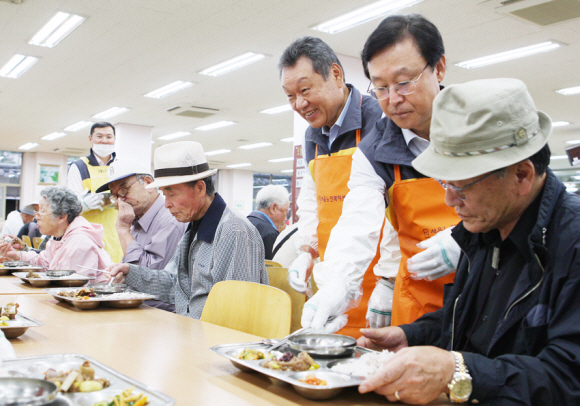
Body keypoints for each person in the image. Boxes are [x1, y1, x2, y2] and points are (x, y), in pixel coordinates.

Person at [357, 78, 580, 405]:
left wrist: (457, 369)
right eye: (446, 182)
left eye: (462, 187)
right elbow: (469, 322)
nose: (449, 200)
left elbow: (567, 377)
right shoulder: (486, 229)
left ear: (522, 175)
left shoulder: (571, 245)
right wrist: (411, 335)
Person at [301, 14, 461, 333]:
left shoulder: (481, 122)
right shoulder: (375, 150)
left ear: (439, 68)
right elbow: (358, 222)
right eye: (380, 88)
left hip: (486, 292)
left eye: (403, 83)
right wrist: (337, 285)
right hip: (419, 303)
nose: (393, 100)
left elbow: (524, 201)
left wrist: (467, 240)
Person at [279, 36, 397, 336]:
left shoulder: (380, 121)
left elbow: (395, 209)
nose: (299, 103)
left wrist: (389, 279)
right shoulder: (312, 137)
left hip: (378, 279)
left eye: (305, 90)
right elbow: (311, 201)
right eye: (290, 96)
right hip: (334, 277)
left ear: (335, 74)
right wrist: (307, 250)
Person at [108, 141, 269, 319]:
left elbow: (237, 311)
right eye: (164, 194)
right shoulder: (193, 228)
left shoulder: (234, 231)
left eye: (172, 194)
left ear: (200, 188)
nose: (167, 204)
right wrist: (131, 273)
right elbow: (177, 285)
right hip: (190, 329)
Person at [95, 158, 187, 311]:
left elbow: (149, 279)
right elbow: (131, 273)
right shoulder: (137, 218)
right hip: (135, 305)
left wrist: (123, 230)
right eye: (115, 196)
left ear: (148, 183)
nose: (120, 201)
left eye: (124, 191)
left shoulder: (170, 220)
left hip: (159, 313)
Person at [0, 187, 112, 281]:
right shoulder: (59, 237)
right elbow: (43, 261)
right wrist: (16, 255)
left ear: (62, 216)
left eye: (42, 211)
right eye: (37, 211)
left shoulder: (79, 243)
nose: (36, 217)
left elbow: (72, 287)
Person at [67, 122, 122, 262]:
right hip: (87, 234)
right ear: (90, 139)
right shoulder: (79, 166)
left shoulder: (122, 165)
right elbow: (69, 207)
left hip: (117, 233)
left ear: (115, 139)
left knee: (116, 274)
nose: (104, 140)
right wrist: (82, 204)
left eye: (109, 137)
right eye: (99, 136)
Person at [247, 185, 290, 260]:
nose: (285, 219)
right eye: (285, 212)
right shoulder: (270, 234)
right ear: (273, 208)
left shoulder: (244, 222)